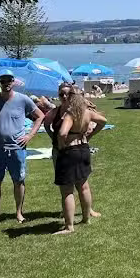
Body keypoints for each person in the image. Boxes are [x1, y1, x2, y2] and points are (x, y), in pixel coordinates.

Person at [0, 70, 44, 224]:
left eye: (9, 80)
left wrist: (30, 135)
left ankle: (18, 213)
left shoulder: (23, 100)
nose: (6, 83)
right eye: (3, 80)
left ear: (13, 82)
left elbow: (40, 116)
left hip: (17, 148)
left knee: (19, 181)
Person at [53, 91, 106, 235]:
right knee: (84, 186)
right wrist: (91, 134)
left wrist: (61, 143)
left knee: (67, 190)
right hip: (84, 149)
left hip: (70, 151)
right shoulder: (87, 113)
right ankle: (86, 218)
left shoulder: (70, 114)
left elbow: (63, 132)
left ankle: (69, 226)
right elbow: (103, 121)